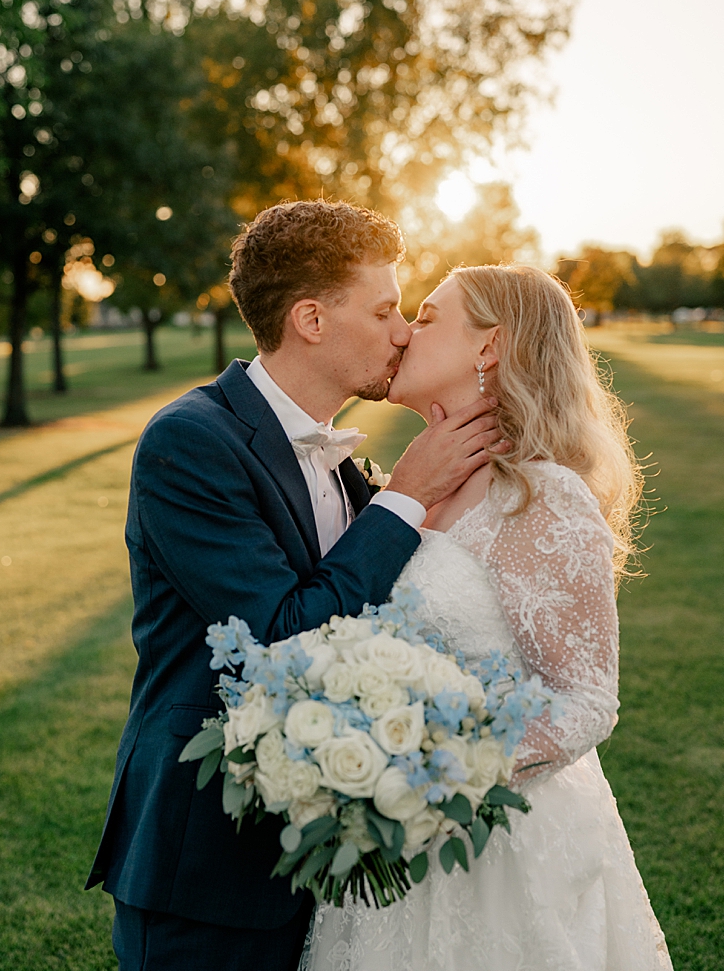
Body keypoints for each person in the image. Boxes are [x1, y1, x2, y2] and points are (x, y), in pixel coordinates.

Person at [87, 200, 502, 969]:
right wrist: (404, 497)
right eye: (384, 310)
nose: (404, 330)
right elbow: (282, 635)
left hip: (325, 852)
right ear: (311, 318)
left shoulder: (340, 457)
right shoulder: (190, 440)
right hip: (204, 862)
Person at [302, 263, 670, 971]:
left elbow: (589, 699)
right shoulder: (405, 489)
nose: (406, 331)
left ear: (490, 346)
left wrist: (439, 777)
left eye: (430, 316)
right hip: (388, 851)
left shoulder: (542, 496)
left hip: (500, 852)